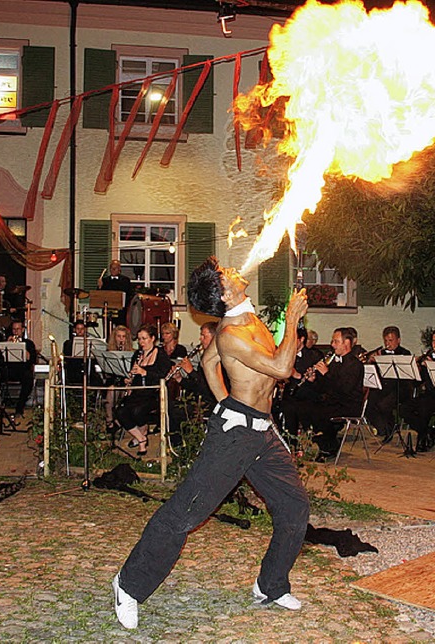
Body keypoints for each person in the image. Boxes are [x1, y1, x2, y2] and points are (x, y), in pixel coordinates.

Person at [112, 257, 309, 629]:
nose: (235, 271)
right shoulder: (232, 334)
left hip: (260, 430)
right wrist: (294, 317)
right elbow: (282, 369)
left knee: (294, 507)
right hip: (235, 436)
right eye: (226, 274)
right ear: (224, 292)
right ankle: (128, 585)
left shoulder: (243, 320)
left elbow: (207, 362)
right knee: (186, 513)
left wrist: (224, 402)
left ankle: (270, 585)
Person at [303, 327, 364, 459]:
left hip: (349, 405)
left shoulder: (355, 365)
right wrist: (313, 380)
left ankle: (329, 447)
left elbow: (344, 390)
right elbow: (325, 387)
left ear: (346, 343)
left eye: (336, 341)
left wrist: (326, 373)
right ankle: (327, 444)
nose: (332, 345)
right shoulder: (335, 362)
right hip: (335, 402)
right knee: (307, 408)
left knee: (321, 413)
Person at [114, 324, 170, 455]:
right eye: (139, 339)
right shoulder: (137, 354)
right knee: (120, 411)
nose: (141, 342)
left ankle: (141, 438)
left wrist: (144, 372)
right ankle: (141, 437)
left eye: (144, 338)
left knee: (137, 411)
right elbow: (132, 374)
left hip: (153, 393)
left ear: (152, 338)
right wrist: (129, 379)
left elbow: (163, 375)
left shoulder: (160, 354)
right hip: (137, 392)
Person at [400, 328, 435, 452]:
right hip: (428, 395)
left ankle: (422, 440)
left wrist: (432, 366)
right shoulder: (427, 357)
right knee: (404, 408)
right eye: (433, 341)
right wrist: (416, 370)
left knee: (424, 408)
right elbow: (417, 383)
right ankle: (428, 431)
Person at [167, 321, 221, 443]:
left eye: (204, 336)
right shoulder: (205, 356)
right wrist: (180, 379)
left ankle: (184, 445)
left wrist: (191, 371)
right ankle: (178, 446)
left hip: (213, 402)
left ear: (214, 337)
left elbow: (209, 388)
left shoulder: (219, 358)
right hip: (200, 399)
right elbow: (196, 386)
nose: (200, 339)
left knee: (178, 411)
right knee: (172, 406)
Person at [365, 326, 412, 437]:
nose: (387, 343)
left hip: (400, 388)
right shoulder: (381, 353)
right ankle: (384, 429)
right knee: (368, 404)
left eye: (391, 340)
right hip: (384, 387)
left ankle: (389, 427)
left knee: (383, 405)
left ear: (398, 340)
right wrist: (373, 362)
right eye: (386, 340)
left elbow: (408, 376)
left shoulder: (405, 353)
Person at [279, 327, 322, 444]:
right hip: (289, 396)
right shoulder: (286, 355)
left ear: (301, 339)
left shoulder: (314, 356)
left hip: (308, 396)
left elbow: (321, 383)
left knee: (299, 410)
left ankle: (301, 443)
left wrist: (301, 376)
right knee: (279, 408)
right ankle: (286, 444)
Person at [4, 320, 37, 417]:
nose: (15, 331)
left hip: (23, 370)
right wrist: (7, 344)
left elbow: (32, 360)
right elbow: (0, 359)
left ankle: (19, 408)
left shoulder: (29, 343)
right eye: (14, 329)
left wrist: (23, 348)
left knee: (28, 378)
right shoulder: (7, 341)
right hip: (9, 370)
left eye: (18, 329)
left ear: (22, 330)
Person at [104, 325, 132, 431]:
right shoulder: (109, 352)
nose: (121, 339)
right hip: (113, 380)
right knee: (111, 390)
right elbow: (107, 372)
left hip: (126, 381)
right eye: (118, 336)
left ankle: (121, 419)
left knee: (126, 390)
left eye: (123, 337)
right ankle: (109, 420)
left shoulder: (132, 353)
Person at [97, 260, 133, 325]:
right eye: (111, 268)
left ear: (119, 269)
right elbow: (99, 296)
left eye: (115, 268)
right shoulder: (105, 280)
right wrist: (100, 286)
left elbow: (129, 294)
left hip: (120, 311)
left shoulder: (125, 280)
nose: (113, 270)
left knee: (120, 329)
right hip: (107, 309)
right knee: (107, 330)